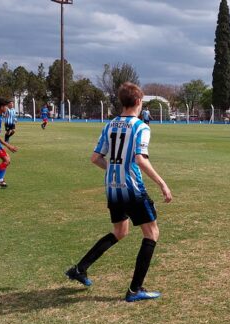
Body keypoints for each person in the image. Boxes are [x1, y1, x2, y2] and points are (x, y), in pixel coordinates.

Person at [65, 82, 173, 303]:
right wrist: (162, 183)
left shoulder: (110, 125)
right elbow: (139, 158)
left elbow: (96, 158)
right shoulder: (141, 127)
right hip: (132, 189)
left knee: (120, 231)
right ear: (139, 102)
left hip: (112, 189)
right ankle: (135, 290)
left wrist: (114, 171)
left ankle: (80, 268)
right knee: (151, 233)